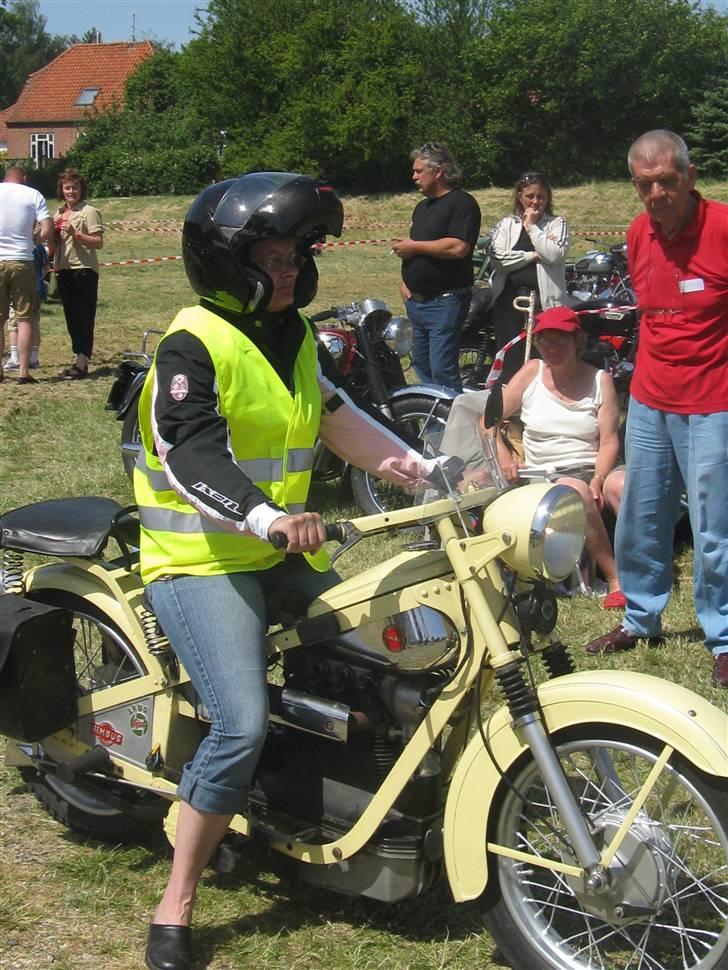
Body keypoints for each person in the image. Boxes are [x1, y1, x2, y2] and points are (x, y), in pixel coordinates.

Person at [136, 172, 444, 970]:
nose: (285, 271)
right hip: (200, 561)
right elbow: (188, 452)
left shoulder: (297, 337)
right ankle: (177, 902)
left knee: (386, 650)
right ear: (226, 262)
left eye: (293, 256)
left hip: (283, 553)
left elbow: (342, 422)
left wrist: (424, 469)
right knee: (239, 722)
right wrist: (267, 517)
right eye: (269, 257)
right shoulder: (191, 342)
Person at [585, 131, 728, 687]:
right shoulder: (639, 232)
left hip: (714, 402)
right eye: (645, 184)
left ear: (690, 177)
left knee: (716, 527)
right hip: (650, 398)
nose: (658, 193)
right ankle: (642, 617)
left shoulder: (720, 228)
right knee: (643, 516)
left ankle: (723, 634)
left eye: (668, 180)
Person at [487, 305, 626, 606]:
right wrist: (505, 458)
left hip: (592, 464)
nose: (552, 347)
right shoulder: (531, 373)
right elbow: (488, 421)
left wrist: (600, 478)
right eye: (545, 340)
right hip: (545, 472)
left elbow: (609, 442)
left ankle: (646, 568)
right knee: (576, 490)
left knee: (625, 485)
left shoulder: (600, 380)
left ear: (577, 341)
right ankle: (615, 578)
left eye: (560, 339)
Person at [393, 141, 481, 392]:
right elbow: (420, 248)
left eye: (419, 171)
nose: (414, 176)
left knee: (442, 368)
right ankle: (434, 422)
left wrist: (414, 247)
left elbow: (458, 247)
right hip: (417, 303)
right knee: (421, 364)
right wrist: (405, 282)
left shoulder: (462, 203)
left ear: (439, 171)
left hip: (445, 302)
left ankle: (451, 423)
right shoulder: (422, 208)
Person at [489, 172, 571, 384]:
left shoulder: (556, 224)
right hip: (509, 304)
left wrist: (533, 228)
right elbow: (499, 259)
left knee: (543, 358)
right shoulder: (507, 224)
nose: (536, 202)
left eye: (541, 197)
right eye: (530, 196)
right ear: (519, 196)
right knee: (511, 358)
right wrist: (533, 255)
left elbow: (554, 255)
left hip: (544, 304)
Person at [0, 165, 53, 383]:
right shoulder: (33, 194)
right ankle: (23, 371)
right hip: (22, 259)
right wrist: (35, 241)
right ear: (24, 178)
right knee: (25, 317)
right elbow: (47, 229)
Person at [53, 168, 103, 380]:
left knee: (83, 317)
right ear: (61, 190)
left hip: (83, 270)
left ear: (81, 189)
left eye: (75, 187)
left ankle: (82, 362)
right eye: (67, 188)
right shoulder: (58, 213)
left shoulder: (89, 211)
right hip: (63, 270)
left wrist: (77, 234)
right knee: (71, 318)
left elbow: (98, 242)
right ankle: (77, 358)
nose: (71, 191)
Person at [4, 236, 50, 370]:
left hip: (21, 290)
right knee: (33, 322)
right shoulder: (40, 247)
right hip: (37, 289)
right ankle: (33, 358)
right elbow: (47, 267)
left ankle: (15, 358)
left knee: (14, 324)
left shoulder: (18, 247)